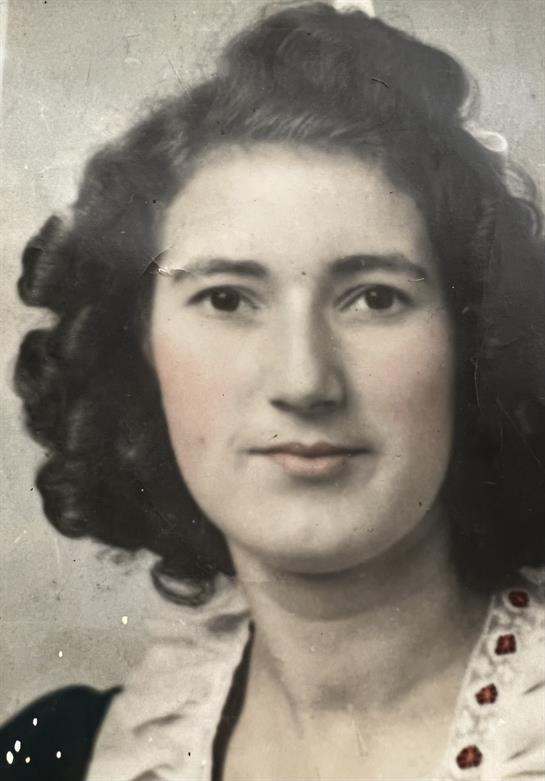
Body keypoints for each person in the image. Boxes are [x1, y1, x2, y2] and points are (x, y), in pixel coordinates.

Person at [2, 1, 544, 779]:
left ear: (474, 341)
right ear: (139, 351)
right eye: (226, 298)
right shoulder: (64, 753)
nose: (303, 381)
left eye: (375, 297)